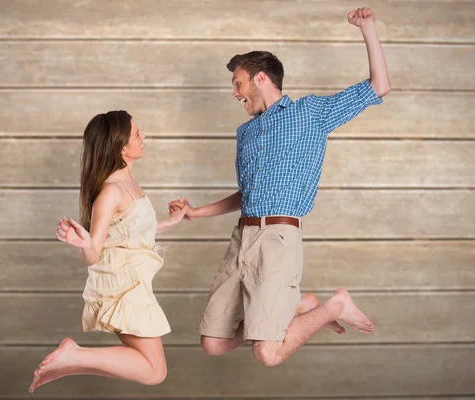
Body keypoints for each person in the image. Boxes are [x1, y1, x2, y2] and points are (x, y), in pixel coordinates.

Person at [169, 7, 390, 367]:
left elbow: (379, 87)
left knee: (267, 353)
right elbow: (247, 195)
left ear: (260, 79)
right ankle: (301, 309)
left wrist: (367, 28)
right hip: (243, 238)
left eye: (237, 84)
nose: (234, 94)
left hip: (278, 241)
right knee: (212, 342)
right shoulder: (246, 133)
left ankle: (336, 305)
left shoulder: (309, 114)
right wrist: (196, 212)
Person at [29, 111, 189, 392]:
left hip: (134, 282)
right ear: (121, 147)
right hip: (124, 287)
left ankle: (68, 364)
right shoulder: (111, 191)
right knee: (154, 372)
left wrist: (170, 221)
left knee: (154, 370)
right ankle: (74, 354)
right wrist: (84, 244)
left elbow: (130, 231)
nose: (144, 137)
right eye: (137, 133)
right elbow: (93, 253)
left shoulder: (129, 182)